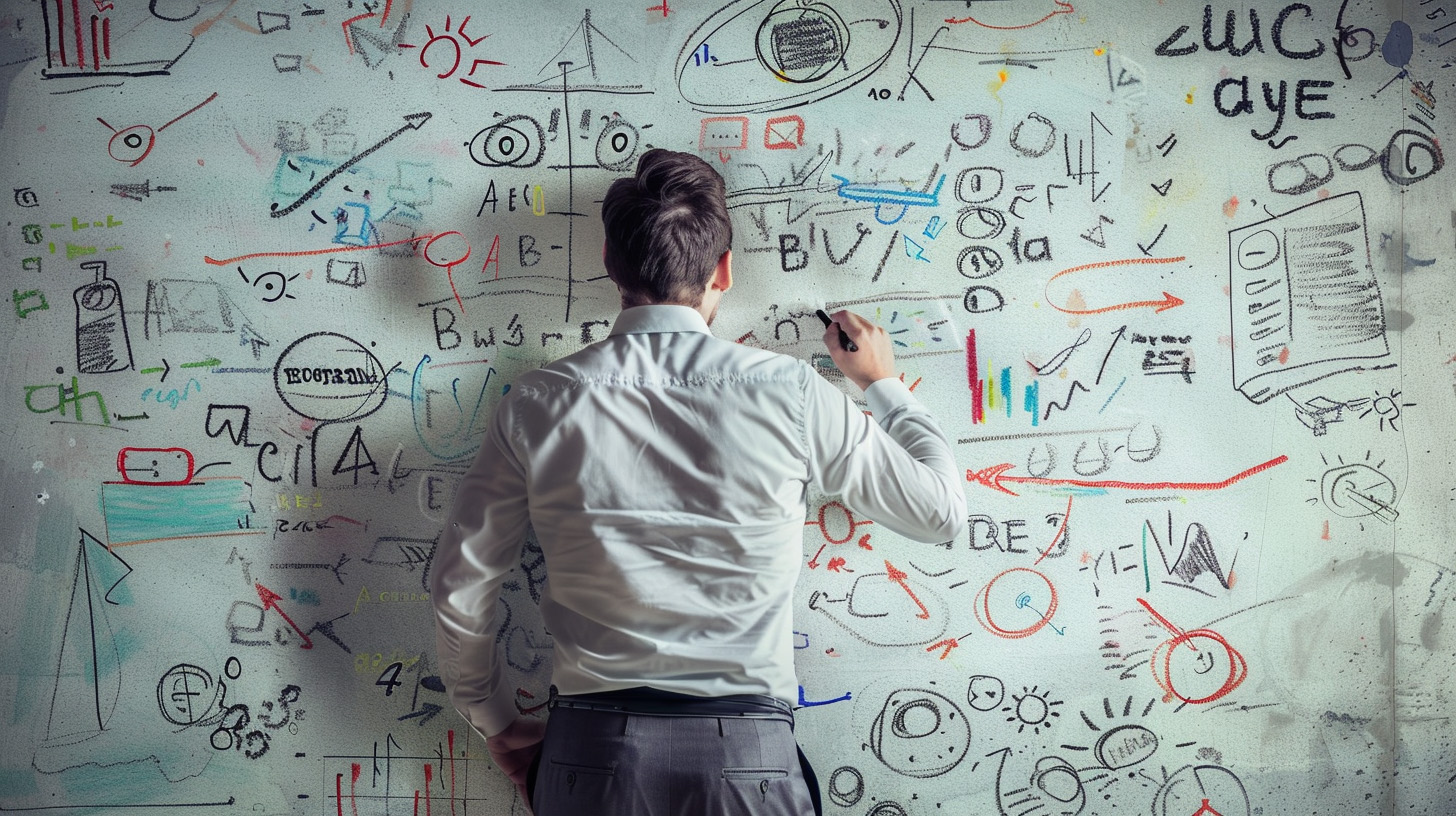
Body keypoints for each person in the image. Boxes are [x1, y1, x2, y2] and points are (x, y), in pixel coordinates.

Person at [430, 148, 965, 815]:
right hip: (746, 761)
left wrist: (495, 719)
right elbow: (940, 512)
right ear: (724, 270)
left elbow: (459, 584)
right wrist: (883, 385)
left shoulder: (539, 401)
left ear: (608, 261)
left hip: (588, 756)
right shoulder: (792, 393)